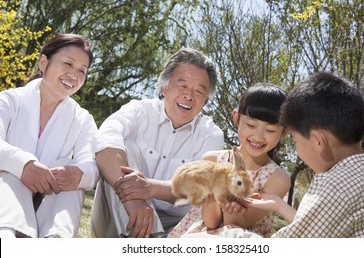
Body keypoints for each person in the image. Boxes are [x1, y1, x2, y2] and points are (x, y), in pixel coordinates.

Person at [90, 47, 225, 238]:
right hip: (120, 210)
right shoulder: (139, 111)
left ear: (205, 101)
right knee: (124, 147)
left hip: (176, 226)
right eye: (182, 85)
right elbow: (104, 138)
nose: (189, 95)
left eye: (198, 91)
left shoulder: (211, 135)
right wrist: (134, 199)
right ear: (165, 87)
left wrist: (149, 188)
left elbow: (199, 186)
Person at [241, 72, 364, 237]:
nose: (297, 151)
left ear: (318, 141)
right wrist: (279, 206)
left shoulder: (334, 187)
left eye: (295, 141)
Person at [0, 34, 99, 238]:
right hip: (5, 200)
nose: (74, 75)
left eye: (82, 71)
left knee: (72, 177)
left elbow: (92, 165)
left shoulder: (82, 119)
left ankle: (55, 240)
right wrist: (24, 166)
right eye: (68, 64)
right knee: (11, 172)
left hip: (48, 202)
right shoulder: (9, 101)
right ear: (43, 62)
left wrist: (78, 174)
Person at [168, 83, 291, 238]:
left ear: (284, 131)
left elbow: (237, 227)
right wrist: (214, 199)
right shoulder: (212, 160)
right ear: (236, 118)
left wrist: (230, 206)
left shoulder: (277, 178)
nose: (258, 137)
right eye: (251, 125)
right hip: (204, 234)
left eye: (270, 130)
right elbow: (211, 223)